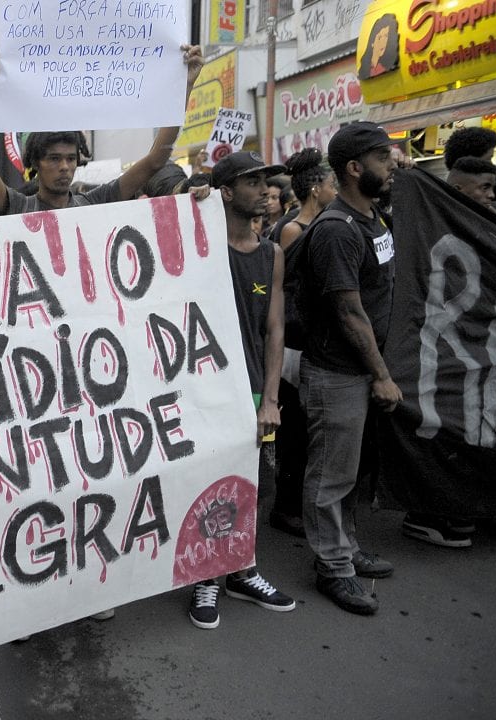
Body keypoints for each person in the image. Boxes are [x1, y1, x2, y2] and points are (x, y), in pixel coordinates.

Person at [186, 152, 296, 630]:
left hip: (251, 390)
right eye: (251, 182)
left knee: (251, 483)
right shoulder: (201, 245)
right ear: (226, 192)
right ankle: (206, 576)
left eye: (265, 181)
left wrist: (270, 398)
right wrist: (190, 202)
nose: (264, 190)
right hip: (203, 392)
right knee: (210, 483)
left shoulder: (272, 254)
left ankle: (242, 570)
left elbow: (275, 329)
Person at [296, 122, 400, 615]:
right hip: (337, 373)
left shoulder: (373, 218)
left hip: (359, 370)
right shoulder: (337, 230)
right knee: (330, 475)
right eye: (383, 157)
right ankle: (333, 568)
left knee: (350, 471)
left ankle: (346, 548)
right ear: (355, 168)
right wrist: (381, 375)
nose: (394, 163)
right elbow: (349, 311)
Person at [0, 46, 204, 216]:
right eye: (54, 159)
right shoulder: (19, 207)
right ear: (36, 163)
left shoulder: (94, 203)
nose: (64, 166)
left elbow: (155, 161)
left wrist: (185, 86)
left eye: (71, 158)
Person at [267, 148, 338, 540]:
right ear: (315, 189)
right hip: (293, 340)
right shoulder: (294, 229)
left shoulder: (323, 223)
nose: (334, 190)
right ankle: (285, 507)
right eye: (330, 184)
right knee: (294, 431)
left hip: (309, 337)